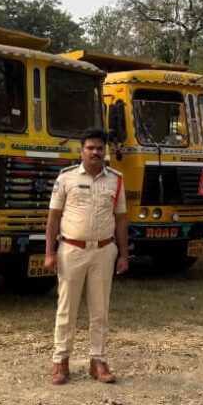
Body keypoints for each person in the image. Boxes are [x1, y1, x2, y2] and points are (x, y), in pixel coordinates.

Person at [45, 128, 129, 385]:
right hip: (72, 250)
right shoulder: (66, 178)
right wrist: (49, 252)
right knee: (66, 309)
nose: (95, 152)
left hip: (104, 250)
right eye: (90, 148)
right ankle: (60, 362)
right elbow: (54, 218)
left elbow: (121, 219)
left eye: (100, 148)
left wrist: (124, 254)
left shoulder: (116, 180)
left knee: (100, 309)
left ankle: (98, 361)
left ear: (105, 152)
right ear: (81, 151)